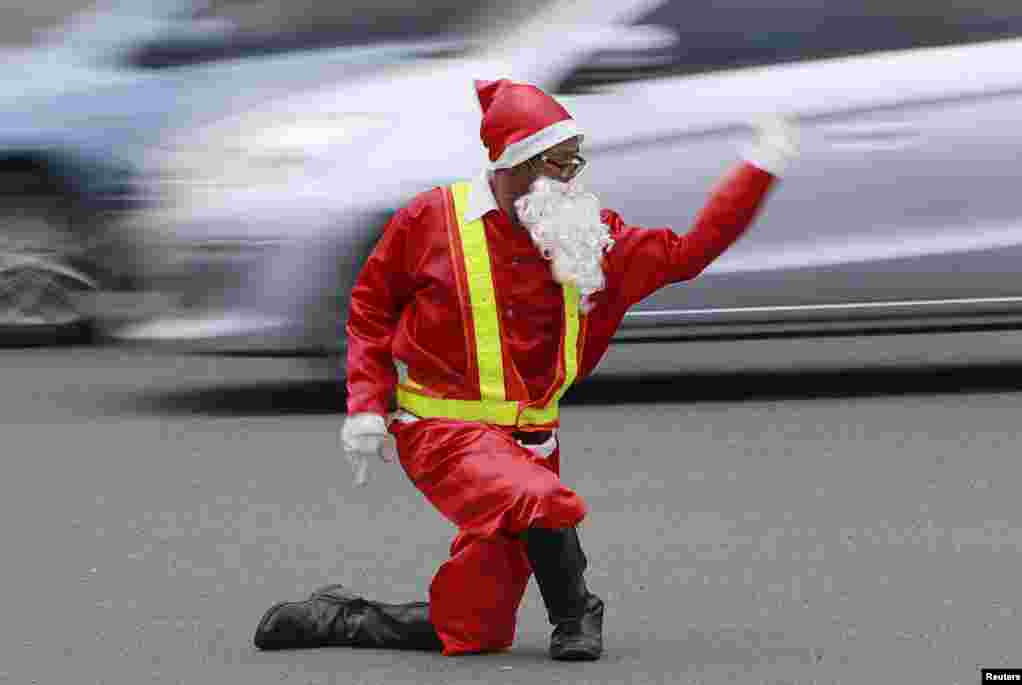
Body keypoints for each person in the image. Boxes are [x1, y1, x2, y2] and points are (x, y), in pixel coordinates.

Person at [252, 78, 799, 661]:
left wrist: (759, 167)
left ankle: (340, 617)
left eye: (575, 164)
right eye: (558, 166)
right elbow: (370, 309)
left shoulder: (587, 236)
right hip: (442, 433)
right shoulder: (429, 220)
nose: (572, 179)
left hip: (535, 439)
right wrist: (365, 405)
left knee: (475, 627)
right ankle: (577, 612)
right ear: (514, 166)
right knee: (542, 498)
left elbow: (689, 252)